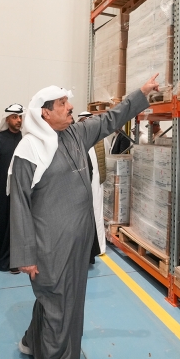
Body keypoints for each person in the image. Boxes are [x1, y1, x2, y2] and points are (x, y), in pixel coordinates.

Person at [9, 74, 158, 359]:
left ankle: (31, 342)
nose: (70, 106)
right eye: (62, 103)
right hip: (50, 247)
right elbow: (19, 204)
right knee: (60, 309)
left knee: (62, 302)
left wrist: (141, 93)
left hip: (77, 243)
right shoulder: (29, 149)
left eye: (68, 101)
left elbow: (111, 118)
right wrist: (25, 255)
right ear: (44, 113)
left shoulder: (76, 134)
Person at [0, 103, 24, 272]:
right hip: (0, 191)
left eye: (20, 117)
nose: (18, 120)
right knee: (0, 225)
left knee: (17, 226)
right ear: (7, 119)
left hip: (21, 190)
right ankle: (1, 257)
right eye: (14, 117)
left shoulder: (25, 139)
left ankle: (11, 261)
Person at [77, 111, 108, 264]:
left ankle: (99, 247)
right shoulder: (83, 138)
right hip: (89, 181)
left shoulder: (94, 138)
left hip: (95, 180)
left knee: (96, 212)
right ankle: (95, 247)